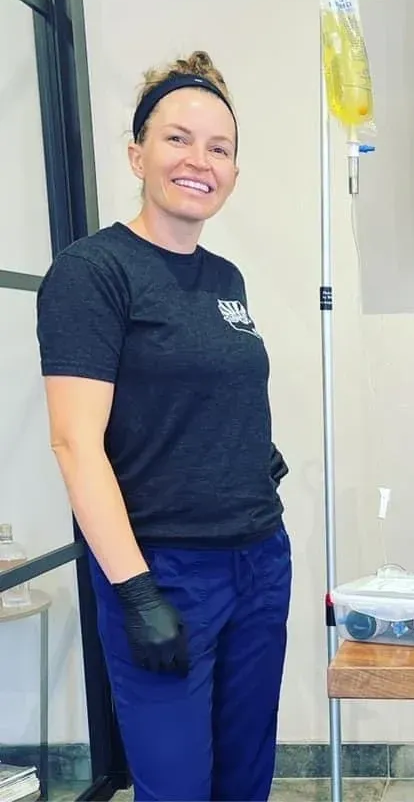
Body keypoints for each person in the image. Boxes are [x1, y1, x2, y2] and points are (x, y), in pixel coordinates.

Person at [35, 51, 292, 801]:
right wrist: (138, 593)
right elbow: (74, 441)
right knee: (177, 786)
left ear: (235, 172)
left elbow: (203, 395)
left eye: (220, 148)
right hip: (163, 569)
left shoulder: (225, 279)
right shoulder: (94, 272)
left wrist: (247, 452)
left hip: (259, 561)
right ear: (136, 153)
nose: (199, 161)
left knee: (244, 781)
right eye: (178, 139)